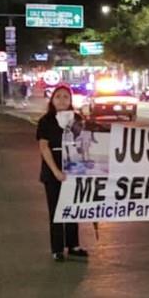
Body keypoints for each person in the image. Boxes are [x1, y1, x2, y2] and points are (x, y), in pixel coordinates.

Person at [36, 86, 88, 262]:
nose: (62, 100)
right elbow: (44, 147)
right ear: (52, 100)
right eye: (58, 96)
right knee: (57, 210)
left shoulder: (77, 119)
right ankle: (57, 248)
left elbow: (86, 143)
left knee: (73, 208)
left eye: (66, 97)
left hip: (74, 169)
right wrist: (56, 171)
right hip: (53, 172)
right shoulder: (46, 121)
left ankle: (73, 245)